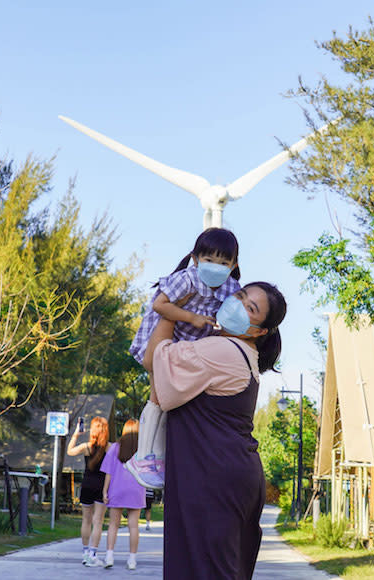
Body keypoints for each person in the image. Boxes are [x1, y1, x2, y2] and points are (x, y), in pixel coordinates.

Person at [144, 282, 286, 580]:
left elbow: (154, 358)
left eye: (250, 308)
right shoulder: (244, 354)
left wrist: (171, 311)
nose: (237, 305)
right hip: (232, 477)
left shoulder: (223, 350)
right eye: (239, 296)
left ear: (260, 331)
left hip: (213, 479)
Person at [127, 228, 241, 489]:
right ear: (196, 258)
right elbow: (160, 305)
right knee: (157, 396)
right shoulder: (186, 279)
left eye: (224, 262)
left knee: (170, 402)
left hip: (186, 348)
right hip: (161, 340)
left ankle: (157, 459)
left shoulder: (231, 288)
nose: (216, 267)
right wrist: (191, 317)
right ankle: (142, 456)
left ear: (233, 265)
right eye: (209, 260)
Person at [100, 419, 145, 570]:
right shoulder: (143, 449)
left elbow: (108, 472)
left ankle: (109, 556)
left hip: (117, 489)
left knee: (113, 524)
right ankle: (132, 560)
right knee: (134, 526)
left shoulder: (115, 448)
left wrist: (105, 491)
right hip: (137, 489)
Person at [66, 416, 109, 566]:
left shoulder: (86, 447)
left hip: (86, 485)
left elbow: (70, 451)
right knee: (98, 522)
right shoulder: (110, 448)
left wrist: (77, 433)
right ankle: (93, 554)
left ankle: (85, 554)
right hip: (102, 486)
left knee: (86, 520)